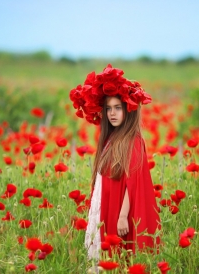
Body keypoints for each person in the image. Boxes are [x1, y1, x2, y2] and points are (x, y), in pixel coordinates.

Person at [69, 64, 161, 260]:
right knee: (103, 254)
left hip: (119, 205)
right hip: (105, 201)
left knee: (116, 254)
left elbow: (133, 183)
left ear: (128, 109)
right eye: (109, 109)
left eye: (118, 108)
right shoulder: (111, 138)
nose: (112, 113)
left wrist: (122, 215)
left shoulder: (133, 141)